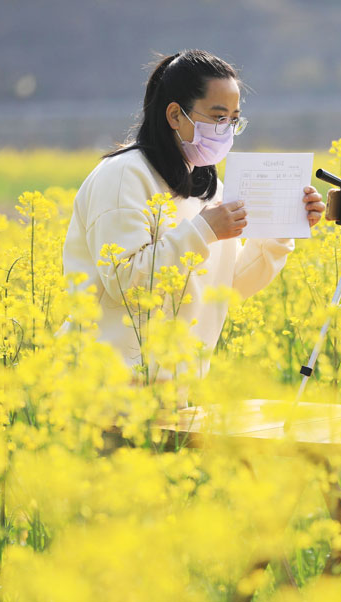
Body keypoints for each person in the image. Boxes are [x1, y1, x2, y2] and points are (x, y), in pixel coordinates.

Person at [58, 49, 325, 385]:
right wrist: (203, 231)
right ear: (175, 115)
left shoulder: (205, 187)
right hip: (104, 392)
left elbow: (228, 286)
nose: (226, 129)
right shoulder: (125, 175)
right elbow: (127, 284)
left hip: (174, 392)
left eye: (234, 119)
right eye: (217, 117)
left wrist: (282, 229)